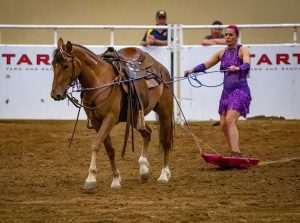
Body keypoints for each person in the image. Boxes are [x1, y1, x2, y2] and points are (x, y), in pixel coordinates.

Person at [185, 24, 251, 157]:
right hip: (226, 93)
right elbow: (207, 64)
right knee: (223, 124)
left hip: (240, 90)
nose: (227, 37)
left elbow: (247, 63)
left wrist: (238, 68)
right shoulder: (221, 53)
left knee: (230, 120)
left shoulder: (242, 50)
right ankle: (235, 150)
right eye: (226, 35)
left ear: (236, 36)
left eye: (230, 35)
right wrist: (192, 70)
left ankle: (235, 153)